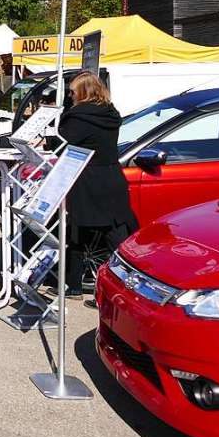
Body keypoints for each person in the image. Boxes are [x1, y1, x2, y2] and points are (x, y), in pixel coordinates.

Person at [59, 71, 139, 306]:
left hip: (87, 179)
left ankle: (80, 285)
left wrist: (65, 110)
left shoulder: (78, 117)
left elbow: (62, 140)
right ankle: (117, 285)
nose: (70, 95)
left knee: (79, 233)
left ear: (82, 92)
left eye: (73, 91)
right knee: (113, 234)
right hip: (111, 176)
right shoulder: (111, 114)